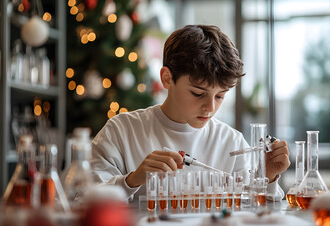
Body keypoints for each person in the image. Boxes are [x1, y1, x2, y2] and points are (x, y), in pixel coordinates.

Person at [91, 25, 290, 202]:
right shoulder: (121, 130)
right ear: (167, 79)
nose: (210, 108)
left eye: (220, 96)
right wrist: (132, 180)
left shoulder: (231, 141)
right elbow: (83, 198)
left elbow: (259, 209)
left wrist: (268, 178)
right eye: (198, 93)